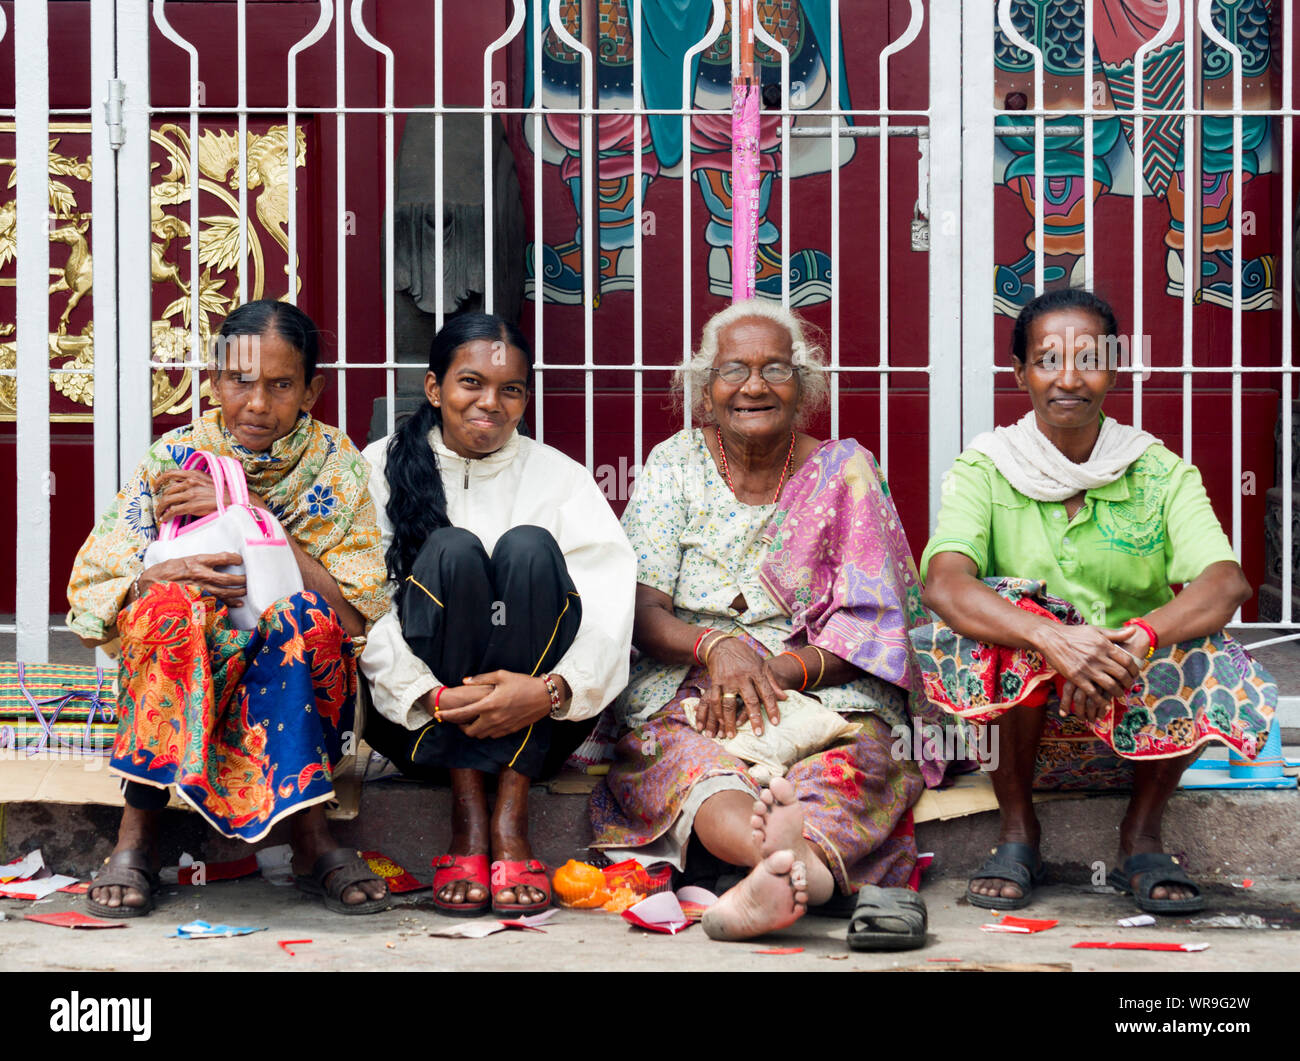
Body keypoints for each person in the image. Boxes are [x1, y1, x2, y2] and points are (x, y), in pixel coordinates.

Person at [589, 300, 945, 943]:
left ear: (804, 387)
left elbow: (878, 621)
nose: (754, 386)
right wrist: (718, 645)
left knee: (859, 759)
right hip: (693, 683)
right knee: (689, 761)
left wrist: (780, 669)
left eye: (775, 369)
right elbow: (639, 609)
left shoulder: (847, 471)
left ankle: (771, 876)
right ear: (705, 387)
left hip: (823, 684)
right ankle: (783, 865)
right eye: (734, 370)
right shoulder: (675, 464)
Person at [916, 288, 1276, 915]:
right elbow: (945, 583)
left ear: (1114, 367)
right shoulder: (988, 468)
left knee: (1204, 641)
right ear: (1020, 372)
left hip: (1136, 723)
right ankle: (1017, 830)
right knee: (1009, 614)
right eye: (1047, 359)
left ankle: (1142, 837)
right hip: (1016, 739)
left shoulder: (1157, 471)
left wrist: (1134, 641)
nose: (1069, 379)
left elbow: (1227, 583)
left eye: (1088, 358)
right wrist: (1053, 641)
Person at [67, 300, 393, 917]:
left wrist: (250, 514)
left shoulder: (336, 465)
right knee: (170, 607)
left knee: (308, 623)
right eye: (240, 382)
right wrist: (158, 576)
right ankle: (136, 834)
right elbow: (91, 595)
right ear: (214, 380)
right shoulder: (175, 458)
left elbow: (355, 617)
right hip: (189, 655)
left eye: (281, 385)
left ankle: (310, 833)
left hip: (289, 661)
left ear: (311, 389)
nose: (258, 404)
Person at [359, 313, 635, 917]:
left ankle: (510, 814)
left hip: (540, 717)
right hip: (422, 721)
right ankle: (468, 814)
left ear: (525, 398)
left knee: (530, 548)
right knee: (451, 550)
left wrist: (548, 689)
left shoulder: (559, 477)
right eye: (471, 383)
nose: (491, 403)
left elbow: (610, 609)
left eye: (510, 389)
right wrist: (426, 695)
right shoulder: (376, 469)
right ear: (434, 389)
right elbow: (365, 610)